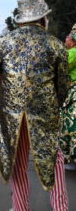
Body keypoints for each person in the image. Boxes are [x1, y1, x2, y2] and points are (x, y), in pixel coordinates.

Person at [0, 0, 70, 211]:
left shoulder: (3, 42)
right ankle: (60, 206)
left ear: (20, 20)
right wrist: (56, 106)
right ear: (43, 19)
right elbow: (63, 85)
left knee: (17, 161)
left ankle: (21, 207)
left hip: (11, 113)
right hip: (45, 110)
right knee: (54, 157)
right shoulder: (55, 43)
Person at [60, 23, 76, 171]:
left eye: (68, 36)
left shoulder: (72, 53)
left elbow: (61, 70)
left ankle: (70, 157)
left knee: (69, 123)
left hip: (73, 92)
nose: (65, 38)